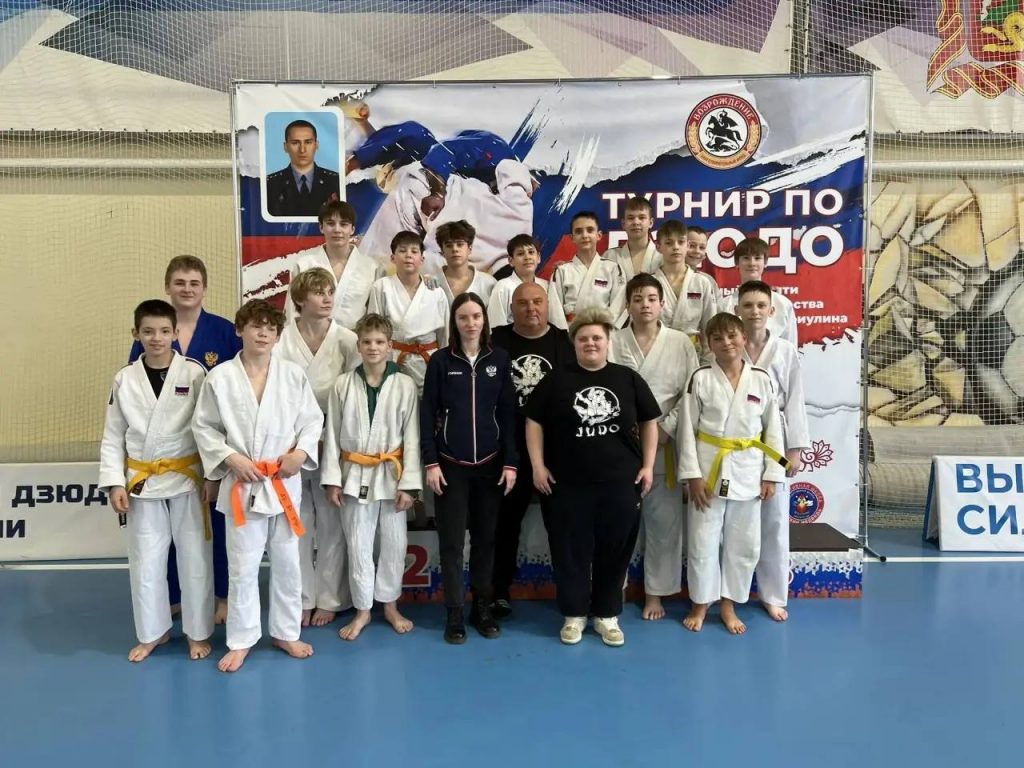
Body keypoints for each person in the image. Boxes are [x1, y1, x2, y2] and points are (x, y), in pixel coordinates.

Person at [192, 300, 324, 672]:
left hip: (282, 481)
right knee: (243, 566)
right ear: (240, 330)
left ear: (278, 335)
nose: (263, 333)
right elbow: (204, 427)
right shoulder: (220, 378)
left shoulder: (293, 375)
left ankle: (286, 632)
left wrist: (301, 453)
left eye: (270, 327)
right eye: (255, 326)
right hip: (242, 483)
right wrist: (229, 458)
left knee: (288, 563)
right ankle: (241, 639)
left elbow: (312, 421)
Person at [524, 307, 660, 647]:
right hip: (567, 485)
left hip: (620, 484)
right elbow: (534, 421)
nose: (591, 343)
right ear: (574, 344)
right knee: (569, 551)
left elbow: (649, 421)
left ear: (608, 341)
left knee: (615, 551)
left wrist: (647, 465)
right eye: (583, 338)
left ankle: (607, 615)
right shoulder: (556, 380)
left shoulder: (627, 378)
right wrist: (537, 466)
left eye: (597, 337)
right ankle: (574, 615)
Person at [101, 299, 214, 662]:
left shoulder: (194, 373)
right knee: (146, 559)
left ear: (176, 333)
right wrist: (114, 482)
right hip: (142, 480)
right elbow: (113, 435)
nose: (157, 338)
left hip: (187, 477)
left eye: (164, 331)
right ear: (136, 334)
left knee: (195, 557)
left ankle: (197, 633)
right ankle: (154, 632)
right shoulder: (124, 378)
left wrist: (212, 475)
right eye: (148, 331)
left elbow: (209, 428)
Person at [129, 254, 239, 625]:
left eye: (194, 283)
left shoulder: (224, 331)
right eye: (180, 283)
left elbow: (238, 389)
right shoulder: (153, 333)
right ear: (168, 287)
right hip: (168, 450)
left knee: (218, 525)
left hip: (215, 447)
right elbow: (137, 392)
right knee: (173, 531)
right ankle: (175, 597)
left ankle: (223, 596)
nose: (187, 289)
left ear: (205, 288)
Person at [676, 312, 787, 635]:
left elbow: (773, 429)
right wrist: (692, 475)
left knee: (744, 545)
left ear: (743, 338)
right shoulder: (700, 378)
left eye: (732, 336)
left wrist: (772, 474)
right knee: (702, 542)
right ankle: (701, 603)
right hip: (708, 473)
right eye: (718, 338)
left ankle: (728, 604)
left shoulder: (761, 379)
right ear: (708, 344)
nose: (726, 343)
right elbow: (686, 430)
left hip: (749, 470)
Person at [421, 293, 518, 644]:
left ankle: (482, 608)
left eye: (476, 316)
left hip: (491, 466)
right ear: (455, 322)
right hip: (451, 467)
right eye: (463, 317)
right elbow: (427, 412)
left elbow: (508, 413)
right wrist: (431, 461)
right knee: (451, 543)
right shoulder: (440, 361)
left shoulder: (500, 359)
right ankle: (454, 613)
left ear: (484, 319)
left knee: (485, 540)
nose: (471, 323)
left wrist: (511, 462)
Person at [322, 314, 422, 640]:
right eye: (367, 342)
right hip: (354, 473)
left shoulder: (404, 384)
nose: (373, 347)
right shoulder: (343, 384)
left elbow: (412, 438)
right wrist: (333, 479)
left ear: (390, 346)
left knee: (395, 544)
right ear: (358, 346)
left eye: (380, 342)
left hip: (392, 474)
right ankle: (363, 609)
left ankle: (390, 605)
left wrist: (410, 485)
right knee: (358, 543)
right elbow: (332, 434)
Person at [609, 274, 698, 621]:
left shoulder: (680, 342)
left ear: (662, 304)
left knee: (663, 524)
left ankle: (655, 594)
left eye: (651, 299)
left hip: (664, 443)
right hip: (619, 441)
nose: (644, 305)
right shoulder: (613, 339)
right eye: (637, 299)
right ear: (627, 305)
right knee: (616, 524)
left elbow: (690, 392)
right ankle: (612, 589)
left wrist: (665, 428)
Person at [274, 268, 359, 627]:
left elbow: (355, 394)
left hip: (334, 435)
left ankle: (330, 597)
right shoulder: (281, 338)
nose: (327, 299)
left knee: (331, 521)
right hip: (289, 439)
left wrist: (336, 438)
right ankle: (301, 597)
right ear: (299, 299)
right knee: (296, 521)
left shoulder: (347, 339)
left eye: (330, 292)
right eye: (318, 293)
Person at [490, 282, 574, 618]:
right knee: (504, 524)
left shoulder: (565, 343)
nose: (531, 308)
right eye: (523, 303)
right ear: (511, 308)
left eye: (537, 301)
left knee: (563, 524)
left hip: (555, 451)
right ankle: (498, 592)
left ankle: (570, 593)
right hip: (507, 449)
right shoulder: (495, 340)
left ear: (548, 305)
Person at [735, 281, 809, 622]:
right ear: (737, 309)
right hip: (737, 436)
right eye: (748, 305)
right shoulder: (729, 345)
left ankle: (774, 595)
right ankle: (729, 592)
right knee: (735, 519)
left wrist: (795, 449)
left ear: (772, 310)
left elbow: (795, 400)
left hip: (775, 436)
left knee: (775, 519)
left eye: (761, 305)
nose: (755, 311)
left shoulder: (785, 350)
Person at [367, 231, 449, 395]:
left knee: (428, 404)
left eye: (414, 251)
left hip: (429, 360)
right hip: (394, 359)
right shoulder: (381, 287)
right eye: (402, 251)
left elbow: (445, 335)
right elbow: (375, 330)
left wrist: (445, 365)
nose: (408, 256)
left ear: (422, 259)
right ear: (392, 258)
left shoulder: (435, 291)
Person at [286, 200, 385, 327]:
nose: (337, 230)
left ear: (352, 229)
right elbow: (292, 313)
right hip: (313, 337)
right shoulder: (304, 265)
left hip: (357, 338)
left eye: (344, 224)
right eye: (330, 223)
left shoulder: (372, 267)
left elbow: (376, 316)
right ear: (321, 227)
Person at [547, 211, 627, 330]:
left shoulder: (613, 269)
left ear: (599, 235)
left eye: (590, 230)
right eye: (579, 231)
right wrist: (564, 335)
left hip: (604, 333)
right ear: (572, 238)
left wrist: (606, 332)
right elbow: (554, 309)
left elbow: (619, 305)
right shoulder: (561, 271)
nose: (585, 235)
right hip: (570, 331)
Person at [650, 220, 718, 350]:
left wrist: (708, 358)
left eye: (681, 242)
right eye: (669, 243)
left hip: (693, 351)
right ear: (658, 247)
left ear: (687, 245)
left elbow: (710, 327)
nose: (676, 247)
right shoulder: (650, 283)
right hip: (658, 349)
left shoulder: (702, 283)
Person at [719, 237, 797, 345]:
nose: (752, 263)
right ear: (737, 263)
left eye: (757, 258)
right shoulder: (724, 305)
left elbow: (791, 347)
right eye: (746, 258)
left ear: (765, 262)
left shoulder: (783, 304)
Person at [266, 118, 341, 217]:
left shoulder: (335, 181)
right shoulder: (270, 184)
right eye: (295, 143)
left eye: (308, 142)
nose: (302, 150)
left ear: (316, 145)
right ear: (285, 146)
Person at [486, 234, 548, 328]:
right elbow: (496, 326)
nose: (527, 257)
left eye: (531, 252)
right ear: (511, 261)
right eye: (520, 254)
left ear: (538, 257)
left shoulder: (546, 286)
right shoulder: (503, 287)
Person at [432, 219, 496, 306]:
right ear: (442, 251)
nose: (455, 249)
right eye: (449, 245)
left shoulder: (488, 283)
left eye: (460, 244)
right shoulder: (432, 283)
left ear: (469, 249)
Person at [604, 196, 661, 280]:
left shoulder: (662, 256)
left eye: (641, 217)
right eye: (631, 218)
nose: (636, 222)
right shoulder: (610, 256)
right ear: (623, 223)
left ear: (651, 223)